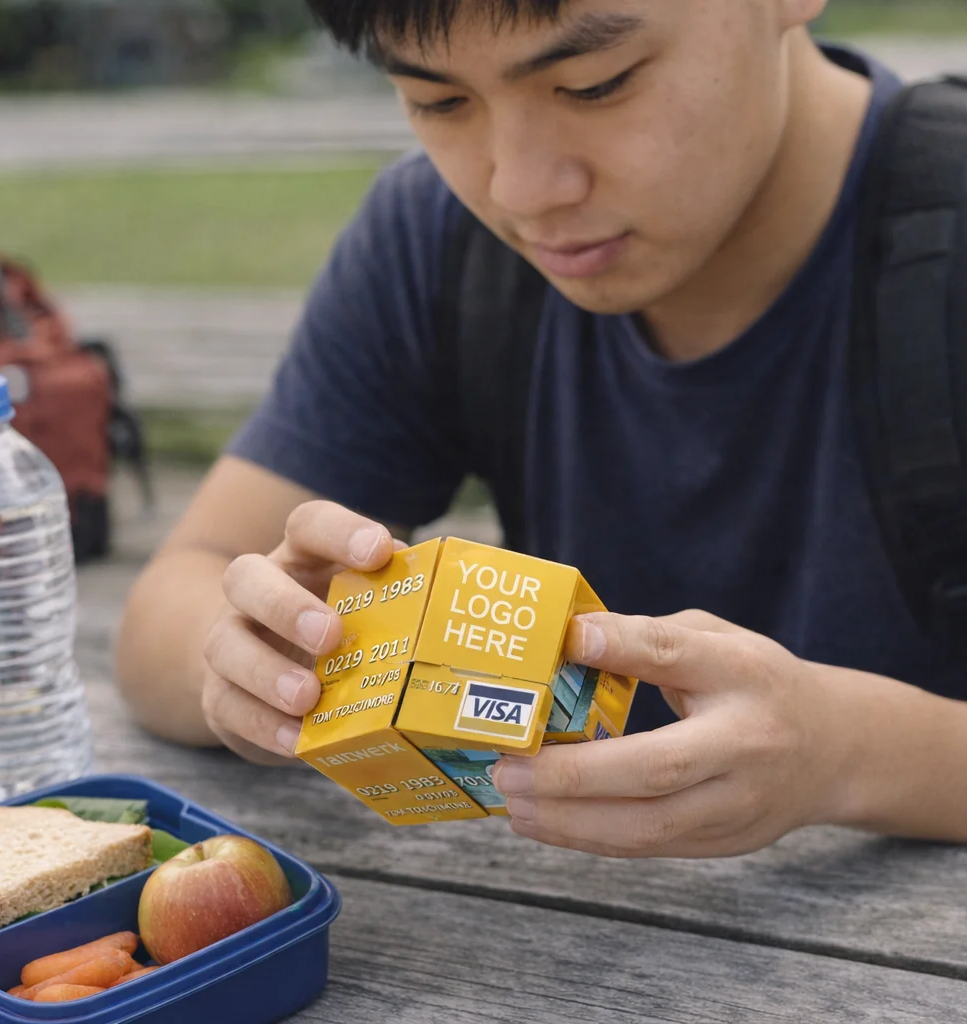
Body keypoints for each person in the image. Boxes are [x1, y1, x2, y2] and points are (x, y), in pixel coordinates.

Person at [116, 0, 967, 858]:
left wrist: (855, 756)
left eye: (595, 85)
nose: (520, 190)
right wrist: (270, 659)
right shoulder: (436, 245)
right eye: (439, 102)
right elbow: (171, 608)